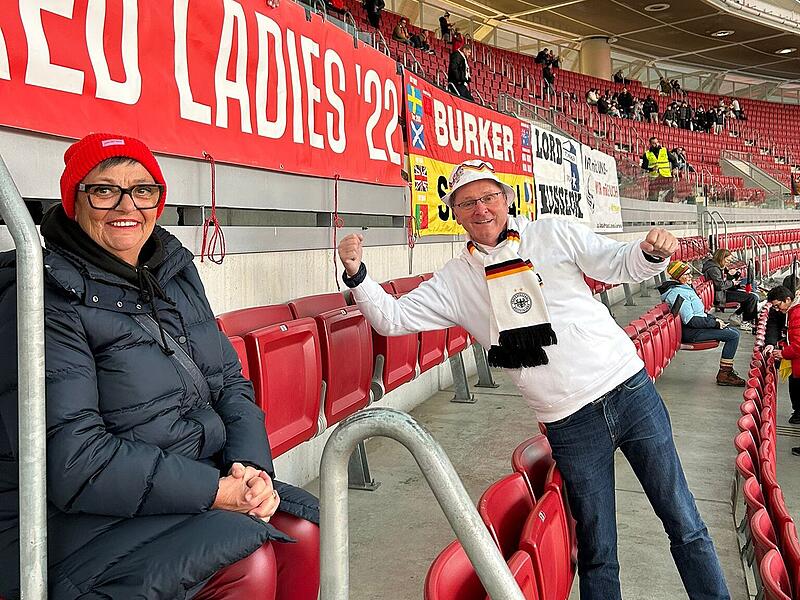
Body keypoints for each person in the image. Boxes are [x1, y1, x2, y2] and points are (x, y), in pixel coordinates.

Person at [337, 159, 731, 600]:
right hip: (569, 422)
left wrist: (650, 252)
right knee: (599, 550)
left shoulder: (551, 232)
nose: (480, 209)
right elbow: (392, 318)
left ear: (505, 199)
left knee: (684, 520)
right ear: (456, 213)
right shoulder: (455, 280)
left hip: (628, 390)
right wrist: (357, 274)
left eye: (488, 197)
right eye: (467, 203)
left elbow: (617, 262)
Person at [0, 133, 320, 600]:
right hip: (76, 517)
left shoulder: (174, 272)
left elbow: (229, 383)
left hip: (190, 484)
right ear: (74, 201)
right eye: (104, 189)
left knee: (304, 530)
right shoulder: (41, 295)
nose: (125, 205)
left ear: (159, 201)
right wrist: (215, 491)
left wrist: (249, 470)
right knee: (245, 561)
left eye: (142, 189)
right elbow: (75, 462)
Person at [659, 261, 745, 386]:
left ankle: (725, 372)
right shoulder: (678, 293)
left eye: (690, 274)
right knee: (733, 336)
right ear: (677, 277)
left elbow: (700, 313)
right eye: (686, 274)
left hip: (697, 328)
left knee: (733, 332)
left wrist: (714, 319)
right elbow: (690, 320)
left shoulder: (685, 289)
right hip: (692, 332)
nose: (690, 277)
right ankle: (724, 374)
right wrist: (714, 324)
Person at [768, 285, 800, 441]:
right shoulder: (793, 311)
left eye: (778, 305)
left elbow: (799, 344)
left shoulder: (797, 313)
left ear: (788, 300)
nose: (777, 309)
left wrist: (783, 352)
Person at [702, 248, 759, 330]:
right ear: (721, 258)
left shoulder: (718, 266)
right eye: (727, 260)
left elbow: (724, 280)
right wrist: (732, 283)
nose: (728, 262)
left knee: (751, 296)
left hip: (722, 292)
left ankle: (737, 316)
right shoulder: (713, 268)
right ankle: (746, 322)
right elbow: (720, 285)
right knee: (751, 298)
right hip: (719, 295)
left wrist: (732, 275)